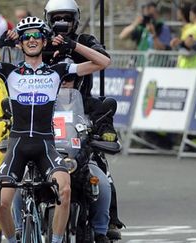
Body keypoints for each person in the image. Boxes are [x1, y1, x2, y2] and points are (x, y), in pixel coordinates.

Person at [0, 16, 110, 243]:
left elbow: (103, 62)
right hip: (18, 145)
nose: (31, 39)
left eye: (37, 35)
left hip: (45, 146)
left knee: (65, 191)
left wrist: (72, 45)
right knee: (1, 201)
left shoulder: (58, 71)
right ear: (19, 43)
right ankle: (12, 240)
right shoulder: (9, 71)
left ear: (44, 41)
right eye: (26, 36)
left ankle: (56, 240)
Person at [43, 0, 124, 240]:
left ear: (76, 19)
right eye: (57, 18)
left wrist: (72, 45)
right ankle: (20, 228)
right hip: (45, 110)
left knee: (103, 179)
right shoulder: (41, 42)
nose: (62, 23)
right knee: (16, 183)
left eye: (67, 18)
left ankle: (104, 226)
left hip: (82, 109)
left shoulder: (86, 41)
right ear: (48, 19)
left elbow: (103, 58)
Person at [174, 3, 196, 68]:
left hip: (186, 66)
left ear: (194, 14)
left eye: (190, 12)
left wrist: (178, 44)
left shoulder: (190, 29)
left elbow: (185, 47)